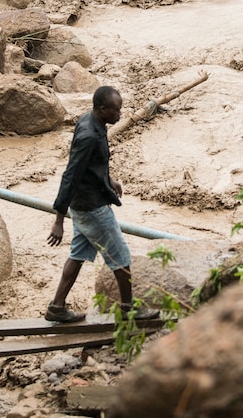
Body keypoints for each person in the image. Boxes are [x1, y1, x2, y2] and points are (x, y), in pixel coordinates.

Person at [45, 86, 160, 323]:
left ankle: (56, 307)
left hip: (84, 204)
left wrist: (108, 179)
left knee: (77, 254)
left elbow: (91, 165)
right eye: (116, 110)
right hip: (91, 207)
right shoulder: (88, 136)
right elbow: (71, 174)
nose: (120, 114)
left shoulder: (92, 122)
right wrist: (58, 220)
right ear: (102, 109)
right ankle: (129, 309)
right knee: (122, 257)